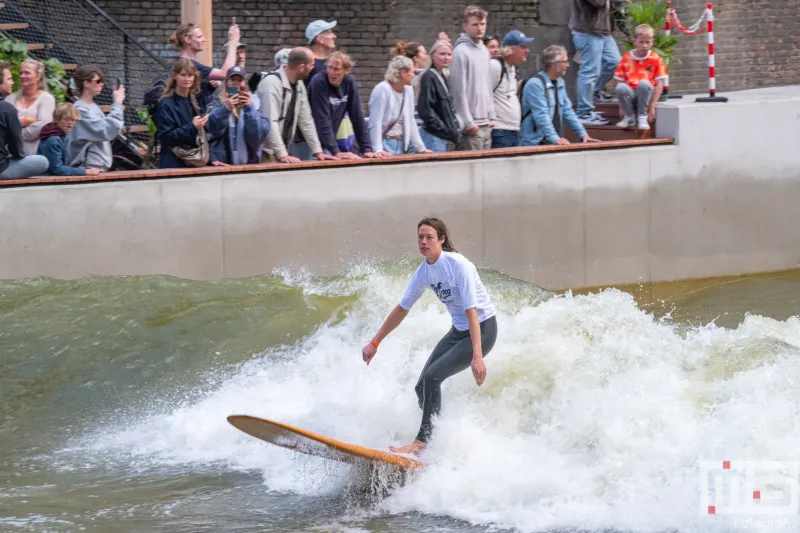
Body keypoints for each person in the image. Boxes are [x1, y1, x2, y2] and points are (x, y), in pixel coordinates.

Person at [361, 217, 498, 455]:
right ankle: (436, 441)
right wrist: (375, 342)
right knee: (420, 387)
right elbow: (403, 308)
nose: (423, 242)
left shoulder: (458, 266)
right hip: (458, 332)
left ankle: (421, 443)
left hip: (483, 330)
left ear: (441, 239)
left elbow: (472, 312)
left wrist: (477, 356)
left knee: (433, 378)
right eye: (420, 238)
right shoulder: (424, 271)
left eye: (429, 237)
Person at [258, 47, 337, 163]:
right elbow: (270, 122)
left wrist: (318, 152)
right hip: (265, 152)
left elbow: (306, 120)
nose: (313, 67)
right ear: (301, 67)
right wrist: (283, 155)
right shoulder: (271, 84)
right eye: (311, 64)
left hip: (282, 151)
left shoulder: (298, 84)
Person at [155, 58, 230, 169]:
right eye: (183, 75)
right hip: (172, 164)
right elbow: (167, 137)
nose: (187, 79)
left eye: (190, 75)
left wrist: (211, 159)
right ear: (175, 76)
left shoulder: (194, 101)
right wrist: (193, 126)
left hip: (192, 162)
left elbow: (202, 136)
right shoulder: (165, 103)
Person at [307, 52, 383, 159]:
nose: (332, 72)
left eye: (336, 69)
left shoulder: (349, 83)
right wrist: (335, 151)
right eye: (330, 68)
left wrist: (366, 149)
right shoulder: (319, 81)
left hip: (327, 139)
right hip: (308, 140)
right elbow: (322, 119)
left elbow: (357, 117)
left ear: (346, 71)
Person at [520, 45, 600, 146]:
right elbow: (541, 115)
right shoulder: (535, 84)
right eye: (565, 61)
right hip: (535, 142)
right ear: (554, 64)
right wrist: (555, 138)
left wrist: (582, 134)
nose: (568, 65)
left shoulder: (560, 82)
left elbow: (568, 111)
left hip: (551, 141)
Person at [570, 0, 628, 126]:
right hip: (587, 31)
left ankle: (595, 91)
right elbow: (598, 3)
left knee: (616, 63)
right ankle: (584, 113)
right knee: (590, 71)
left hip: (603, 32)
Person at [450, 5, 495, 151]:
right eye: (475, 24)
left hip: (486, 123)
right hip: (471, 125)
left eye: (482, 24)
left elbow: (488, 86)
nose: (480, 28)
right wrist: (469, 123)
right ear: (465, 26)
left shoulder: (484, 51)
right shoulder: (461, 52)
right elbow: (458, 91)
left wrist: (491, 116)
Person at [208, 66, 271, 166]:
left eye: (239, 80)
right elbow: (212, 130)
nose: (236, 83)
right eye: (233, 79)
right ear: (226, 82)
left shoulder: (255, 103)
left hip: (249, 161)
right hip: (223, 161)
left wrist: (249, 109)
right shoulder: (217, 103)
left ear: (244, 83)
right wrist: (225, 109)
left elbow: (257, 135)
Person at [368, 56, 430, 156]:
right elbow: (375, 122)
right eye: (412, 72)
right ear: (403, 73)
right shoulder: (382, 89)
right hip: (385, 142)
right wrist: (378, 149)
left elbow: (410, 119)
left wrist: (421, 148)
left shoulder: (408, 90)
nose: (414, 75)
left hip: (400, 143)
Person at [68, 65, 125, 172]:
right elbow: (106, 129)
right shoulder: (80, 110)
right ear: (86, 83)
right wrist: (117, 103)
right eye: (98, 81)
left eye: (102, 81)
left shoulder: (92, 106)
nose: (102, 84)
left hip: (96, 166)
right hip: (88, 167)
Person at [613, 24, 666, 131]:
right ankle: (629, 117)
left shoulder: (656, 59)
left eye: (647, 42)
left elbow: (660, 84)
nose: (644, 45)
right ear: (634, 41)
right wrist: (621, 106)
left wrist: (652, 105)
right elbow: (619, 81)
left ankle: (642, 116)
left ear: (652, 41)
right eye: (641, 42)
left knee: (644, 83)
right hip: (631, 94)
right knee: (621, 87)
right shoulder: (626, 58)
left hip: (646, 94)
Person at [0, 61, 48, 179]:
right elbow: (16, 146)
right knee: (42, 161)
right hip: (2, 168)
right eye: (9, 79)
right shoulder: (6, 108)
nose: (12, 82)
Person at [170, 21, 241, 99]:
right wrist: (233, 42)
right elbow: (225, 73)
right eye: (199, 37)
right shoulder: (190, 65)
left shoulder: (181, 63)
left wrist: (209, 87)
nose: (204, 39)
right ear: (187, 39)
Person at [489, 30, 533, 148]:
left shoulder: (511, 68)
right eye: (523, 47)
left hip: (513, 129)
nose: (527, 50)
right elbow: (484, 95)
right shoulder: (495, 66)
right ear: (511, 49)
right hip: (500, 130)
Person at [417, 40, 460, 152]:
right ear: (433, 56)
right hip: (434, 136)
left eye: (449, 54)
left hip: (442, 136)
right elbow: (426, 110)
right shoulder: (429, 77)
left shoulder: (442, 76)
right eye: (442, 54)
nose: (446, 57)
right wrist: (444, 129)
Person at [6, 59, 55, 155]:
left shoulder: (46, 99)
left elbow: (43, 126)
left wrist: (16, 134)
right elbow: (5, 124)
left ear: (38, 76)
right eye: (21, 73)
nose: (22, 76)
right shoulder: (10, 99)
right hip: (10, 155)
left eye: (27, 73)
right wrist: (25, 120)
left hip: (36, 156)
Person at [37, 103, 101, 176]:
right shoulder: (53, 139)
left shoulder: (61, 136)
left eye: (73, 120)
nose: (70, 122)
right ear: (57, 119)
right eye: (66, 119)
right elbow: (57, 169)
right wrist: (85, 171)